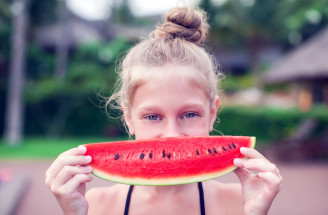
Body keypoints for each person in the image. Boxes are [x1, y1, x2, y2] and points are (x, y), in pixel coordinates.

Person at [45, 7, 282, 215]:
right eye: (152, 117)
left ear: (212, 114)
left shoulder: (238, 202)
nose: (172, 134)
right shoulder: (94, 205)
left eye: (189, 114)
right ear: (128, 118)